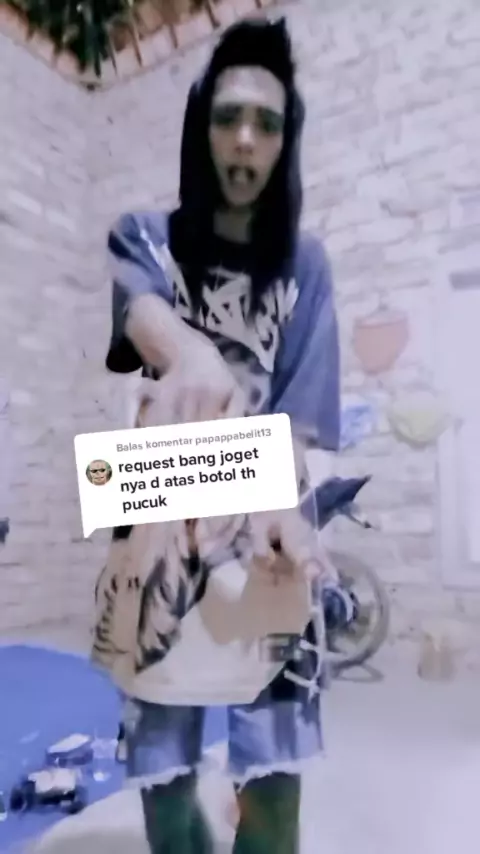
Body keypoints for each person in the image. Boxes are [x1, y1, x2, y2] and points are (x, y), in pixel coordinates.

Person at [102, 17, 340, 854]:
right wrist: (190, 352)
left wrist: (284, 515)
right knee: (163, 784)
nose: (244, 139)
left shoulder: (306, 266)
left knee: (273, 789)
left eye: (266, 123)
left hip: (266, 541)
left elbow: (298, 427)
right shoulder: (144, 235)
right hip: (161, 544)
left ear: (284, 143)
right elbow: (142, 311)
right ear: (201, 128)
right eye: (227, 116)